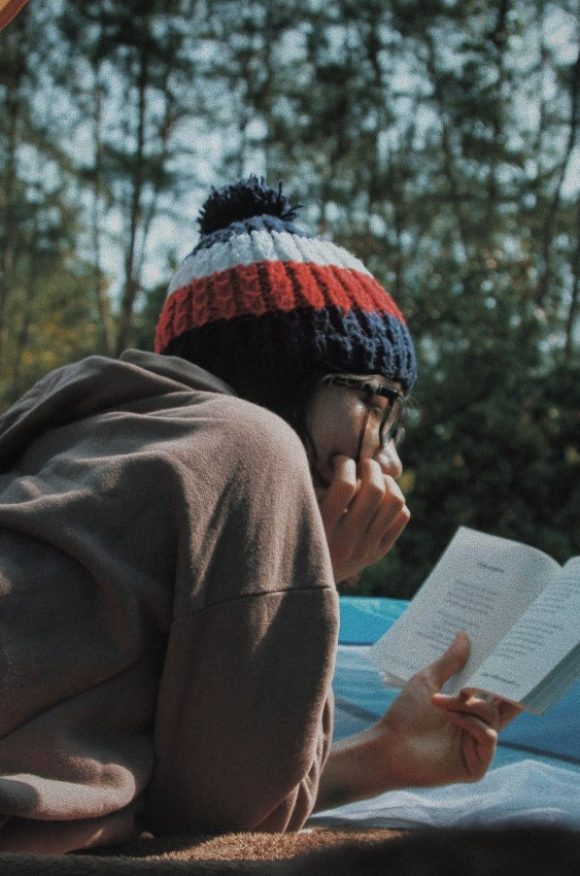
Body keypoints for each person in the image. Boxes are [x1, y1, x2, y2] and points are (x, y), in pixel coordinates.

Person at [0, 177, 517, 854]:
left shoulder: (85, 439)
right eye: (377, 406)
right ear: (282, 379)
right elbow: (230, 819)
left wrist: (386, 754)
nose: (388, 458)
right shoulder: (251, 443)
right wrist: (318, 575)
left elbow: (191, 783)